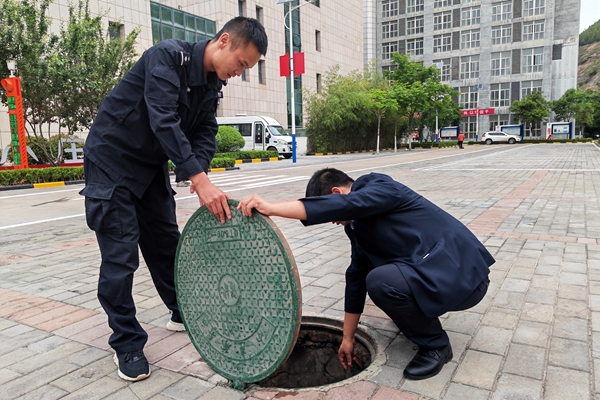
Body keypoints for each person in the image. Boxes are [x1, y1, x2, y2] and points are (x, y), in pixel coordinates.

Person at [80, 17, 268, 382]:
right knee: (121, 256)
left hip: (149, 168)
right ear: (224, 41)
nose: (239, 72)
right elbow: (163, 118)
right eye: (241, 63)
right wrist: (199, 181)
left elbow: (205, 130)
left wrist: (201, 176)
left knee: (167, 243)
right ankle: (127, 341)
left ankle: (181, 309)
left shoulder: (213, 84)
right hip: (111, 160)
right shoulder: (167, 58)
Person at [238, 168, 494, 380]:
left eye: (331, 213)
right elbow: (356, 278)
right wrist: (347, 338)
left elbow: (351, 203)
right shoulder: (358, 228)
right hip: (440, 278)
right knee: (373, 279)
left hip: (464, 275)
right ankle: (418, 321)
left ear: (335, 194)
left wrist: (272, 207)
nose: (333, 222)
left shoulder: (380, 186)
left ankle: (436, 346)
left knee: (382, 282)